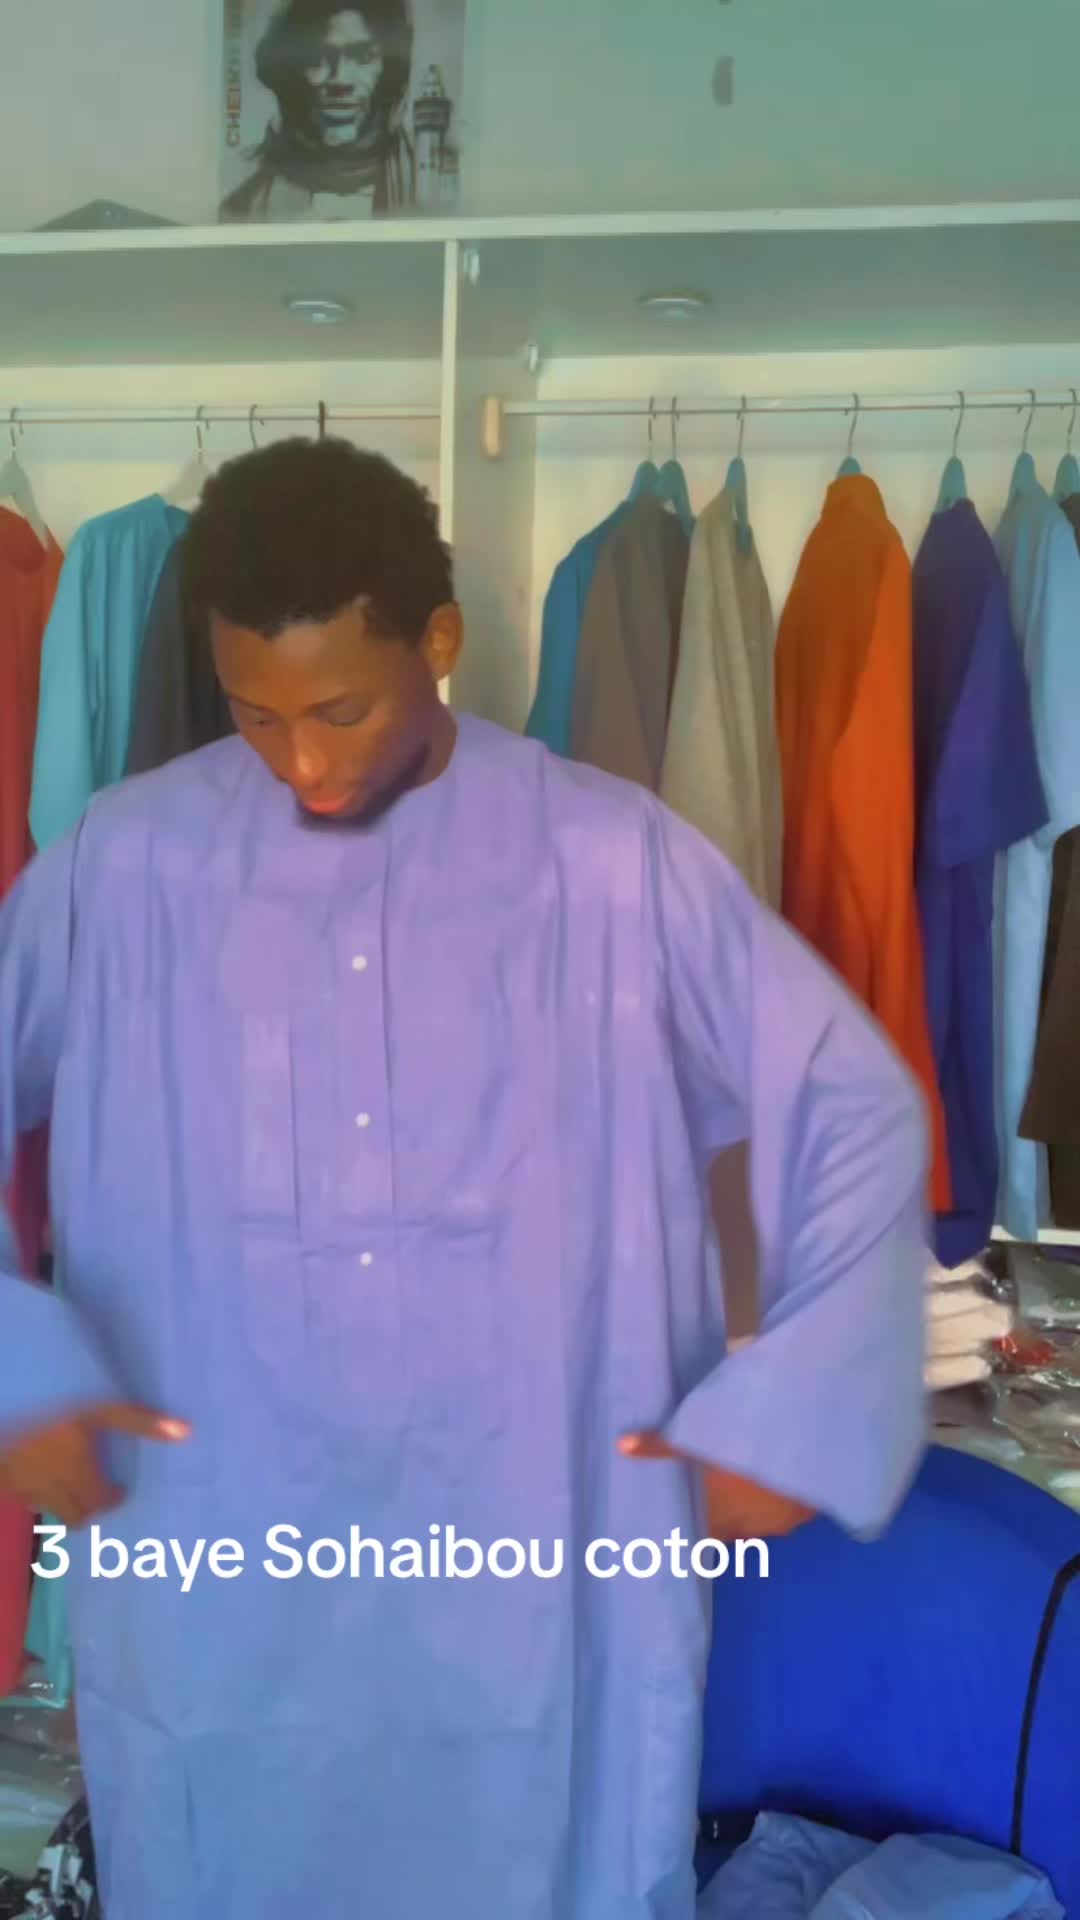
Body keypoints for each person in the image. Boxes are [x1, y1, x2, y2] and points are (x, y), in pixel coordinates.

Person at [0, 440, 927, 1919]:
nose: (303, 764)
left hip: (539, 1554)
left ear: (437, 642)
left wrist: (798, 1404)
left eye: (341, 711)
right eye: (255, 716)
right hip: (219, 1560)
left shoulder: (614, 863)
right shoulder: (125, 867)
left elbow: (853, 1104)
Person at [221, 0, 415, 221]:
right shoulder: (240, 192)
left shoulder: (429, 178)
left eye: (363, 57)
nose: (340, 80)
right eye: (316, 58)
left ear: (389, 72)